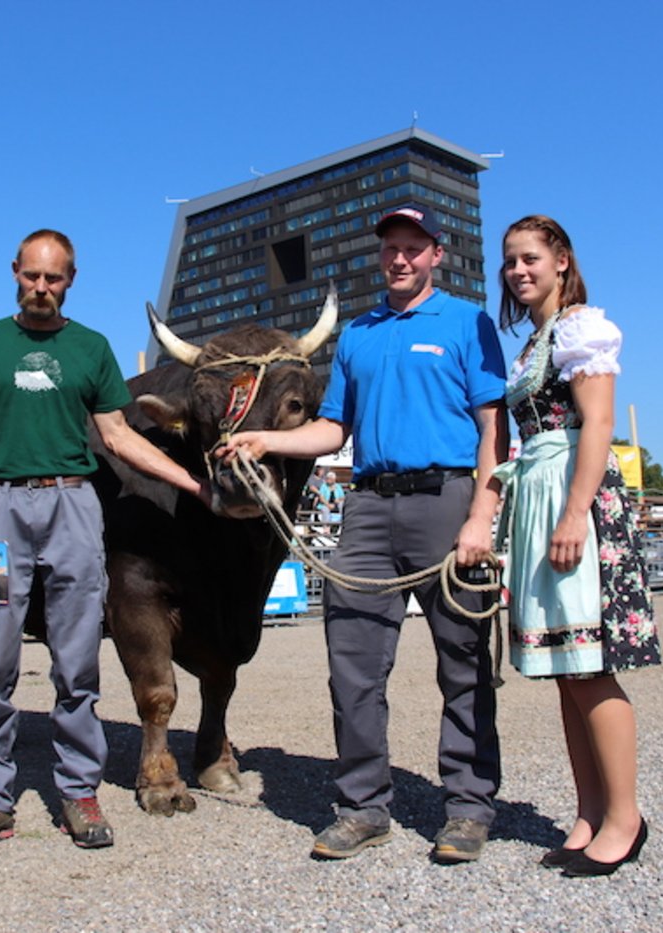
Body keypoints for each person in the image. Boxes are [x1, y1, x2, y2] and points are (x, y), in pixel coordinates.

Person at [221, 204, 509, 863]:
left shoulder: (468, 322)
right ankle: (362, 806)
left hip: (449, 497)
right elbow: (333, 431)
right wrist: (267, 439)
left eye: (413, 247)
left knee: (463, 663)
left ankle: (467, 806)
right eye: (390, 249)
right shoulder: (358, 334)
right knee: (351, 665)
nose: (399, 258)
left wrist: (481, 517)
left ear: (437, 253)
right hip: (368, 508)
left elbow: (494, 427)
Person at [0, 228, 211, 855]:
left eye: (53, 277)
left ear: (71, 279)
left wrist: (193, 485)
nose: (41, 287)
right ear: (15, 272)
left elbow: (118, 435)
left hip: (73, 508)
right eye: (32, 276)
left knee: (77, 655)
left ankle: (79, 790)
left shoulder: (91, 348)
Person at [495, 214, 659, 877]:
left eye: (530, 257)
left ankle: (626, 816)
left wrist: (573, 513)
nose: (518, 270)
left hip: (571, 489)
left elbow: (597, 424)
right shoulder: (537, 339)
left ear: (561, 259)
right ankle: (590, 811)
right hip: (538, 487)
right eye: (509, 260)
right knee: (566, 669)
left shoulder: (581, 327)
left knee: (590, 664)